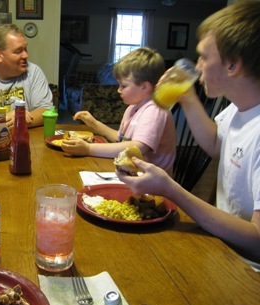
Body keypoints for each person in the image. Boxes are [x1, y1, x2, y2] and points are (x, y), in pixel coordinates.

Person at [117, 1, 260, 269]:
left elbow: (257, 240)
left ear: (232, 65)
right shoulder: (238, 110)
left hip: (247, 271)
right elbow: (217, 145)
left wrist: (172, 189)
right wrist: (188, 99)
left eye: (204, 57)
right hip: (220, 244)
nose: (198, 65)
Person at [61, 47, 176, 174]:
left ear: (144, 87)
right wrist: (94, 124)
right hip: (132, 174)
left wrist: (88, 149)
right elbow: (120, 140)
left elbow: (136, 148)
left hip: (154, 185)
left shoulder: (155, 110)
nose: (118, 90)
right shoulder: (133, 108)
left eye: (123, 86)